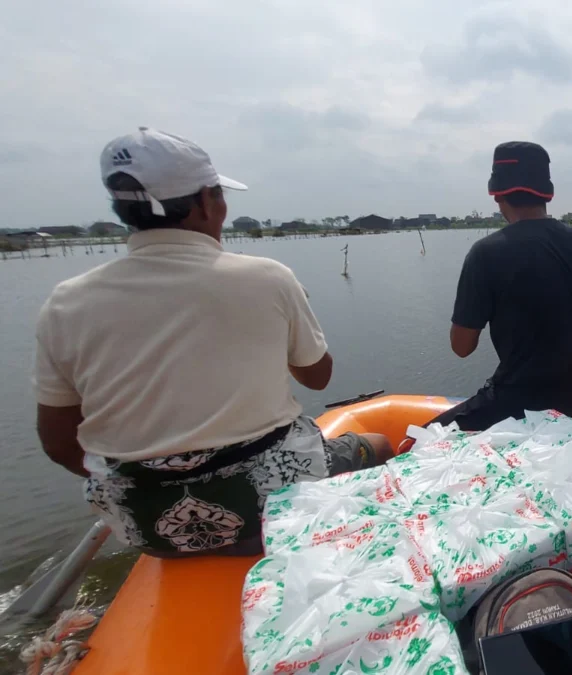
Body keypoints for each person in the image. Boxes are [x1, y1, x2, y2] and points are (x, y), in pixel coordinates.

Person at [34, 128, 393, 557]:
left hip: (152, 529)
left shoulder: (66, 302)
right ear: (208, 203)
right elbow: (318, 376)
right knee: (378, 445)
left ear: (120, 211)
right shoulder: (266, 277)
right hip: (272, 508)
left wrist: (146, 479)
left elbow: (58, 444)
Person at [429, 141, 572, 431]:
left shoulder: (485, 254)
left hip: (517, 407)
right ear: (547, 194)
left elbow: (462, 347)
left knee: (413, 442)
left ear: (497, 195)